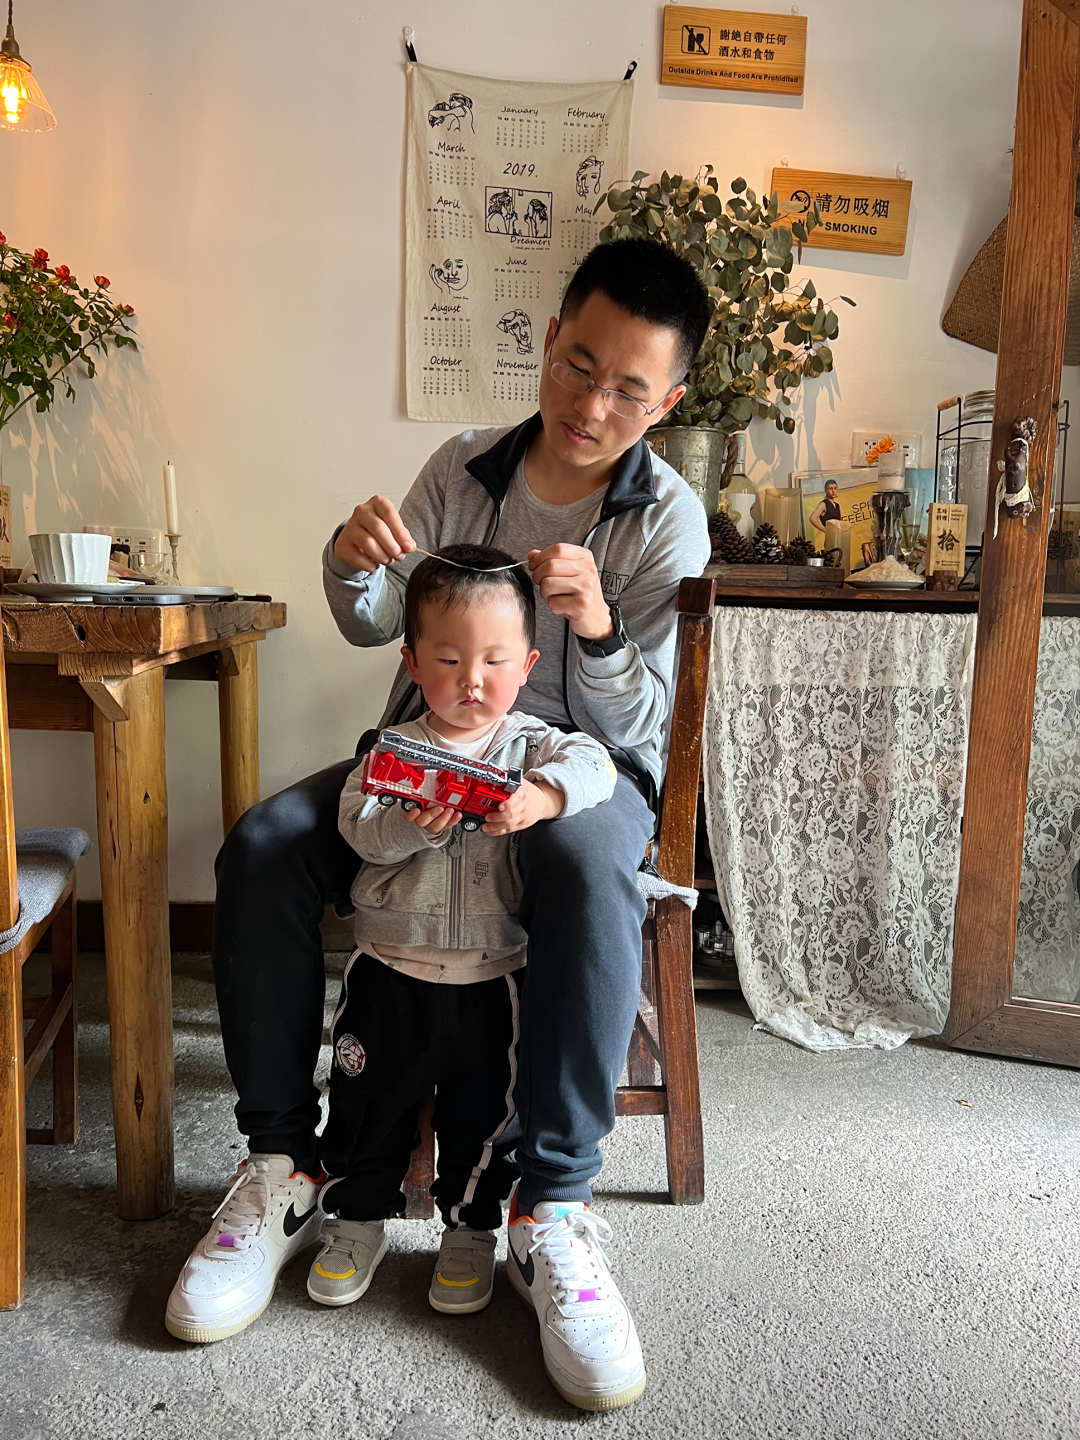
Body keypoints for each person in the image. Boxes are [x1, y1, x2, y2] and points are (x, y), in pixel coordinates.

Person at [167, 237, 712, 1412]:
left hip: (574, 776)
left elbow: (648, 728)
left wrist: (600, 633)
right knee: (264, 845)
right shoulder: (461, 467)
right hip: (426, 756)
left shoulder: (667, 520)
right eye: (578, 365)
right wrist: (348, 562)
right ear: (549, 340)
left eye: (629, 389)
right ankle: (283, 1167)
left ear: (668, 402)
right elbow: (379, 622)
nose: (592, 404)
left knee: (581, 862)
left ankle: (549, 1207)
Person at [308, 544, 615, 1325]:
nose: (471, 680)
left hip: (491, 974)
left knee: (484, 1120)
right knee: (366, 1104)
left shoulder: (533, 746)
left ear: (528, 665)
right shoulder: (392, 752)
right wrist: (411, 828)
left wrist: (543, 797)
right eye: (448, 660)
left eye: (494, 661)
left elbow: (598, 765)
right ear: (413, 664)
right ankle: (356, 1219)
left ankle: (470, 1232)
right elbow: (358, 830)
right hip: (389, 969)